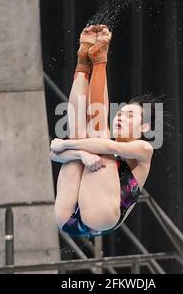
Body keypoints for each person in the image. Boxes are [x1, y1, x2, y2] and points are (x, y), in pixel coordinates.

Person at [49, 24, 156, 237]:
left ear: (144, 127)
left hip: (101, 218)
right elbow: (54, 154)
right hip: (67, 215)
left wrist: (65, 145)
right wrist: (79, 153)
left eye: (130, 116)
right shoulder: (94, 148)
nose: (121, 117)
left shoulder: (143, 149)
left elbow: (99, 145)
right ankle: (83, 64)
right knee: (81, 137)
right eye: (120, 113)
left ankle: (99, 62)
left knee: (96, 139)